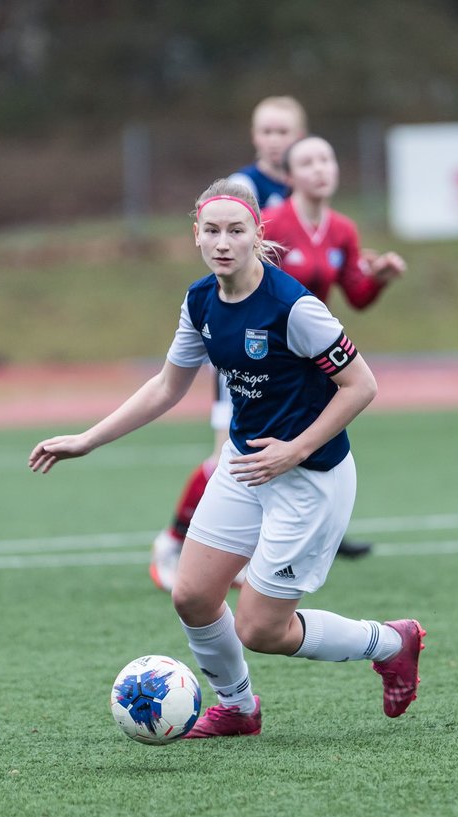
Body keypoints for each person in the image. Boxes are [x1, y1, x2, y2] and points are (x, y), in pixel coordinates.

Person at [30, 180, 425, 737]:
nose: (223, 242)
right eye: (211, 231)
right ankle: (238, 709)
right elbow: (168, 386)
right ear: (196, 235)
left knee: (261, 630)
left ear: (257, 235)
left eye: (236, 231)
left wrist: (296, 449)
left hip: (311, 478)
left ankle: (391, 641)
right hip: (244, 468)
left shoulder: (294, 308)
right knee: (191, 595)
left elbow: (361, 386)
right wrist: (87, 439)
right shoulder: (200, 301)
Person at [148, 134, 405, 590]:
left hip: (297, 360)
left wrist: (379, 279)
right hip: (246, 357)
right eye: (307, 162)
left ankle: (293, 538)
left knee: (282, 458)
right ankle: (178, 537)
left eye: (326, 159)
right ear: (288, 176)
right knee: (225, 459)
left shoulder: (342, 229)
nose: (320, 169)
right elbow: (242, 291)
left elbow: (355, 297)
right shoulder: (273, 223)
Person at [226, 96, 307, 211]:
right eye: (266, 132)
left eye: (283, 132)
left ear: (300, 137)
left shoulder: (307, 182)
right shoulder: (242, 185)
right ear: (254, 136)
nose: (274, 140)